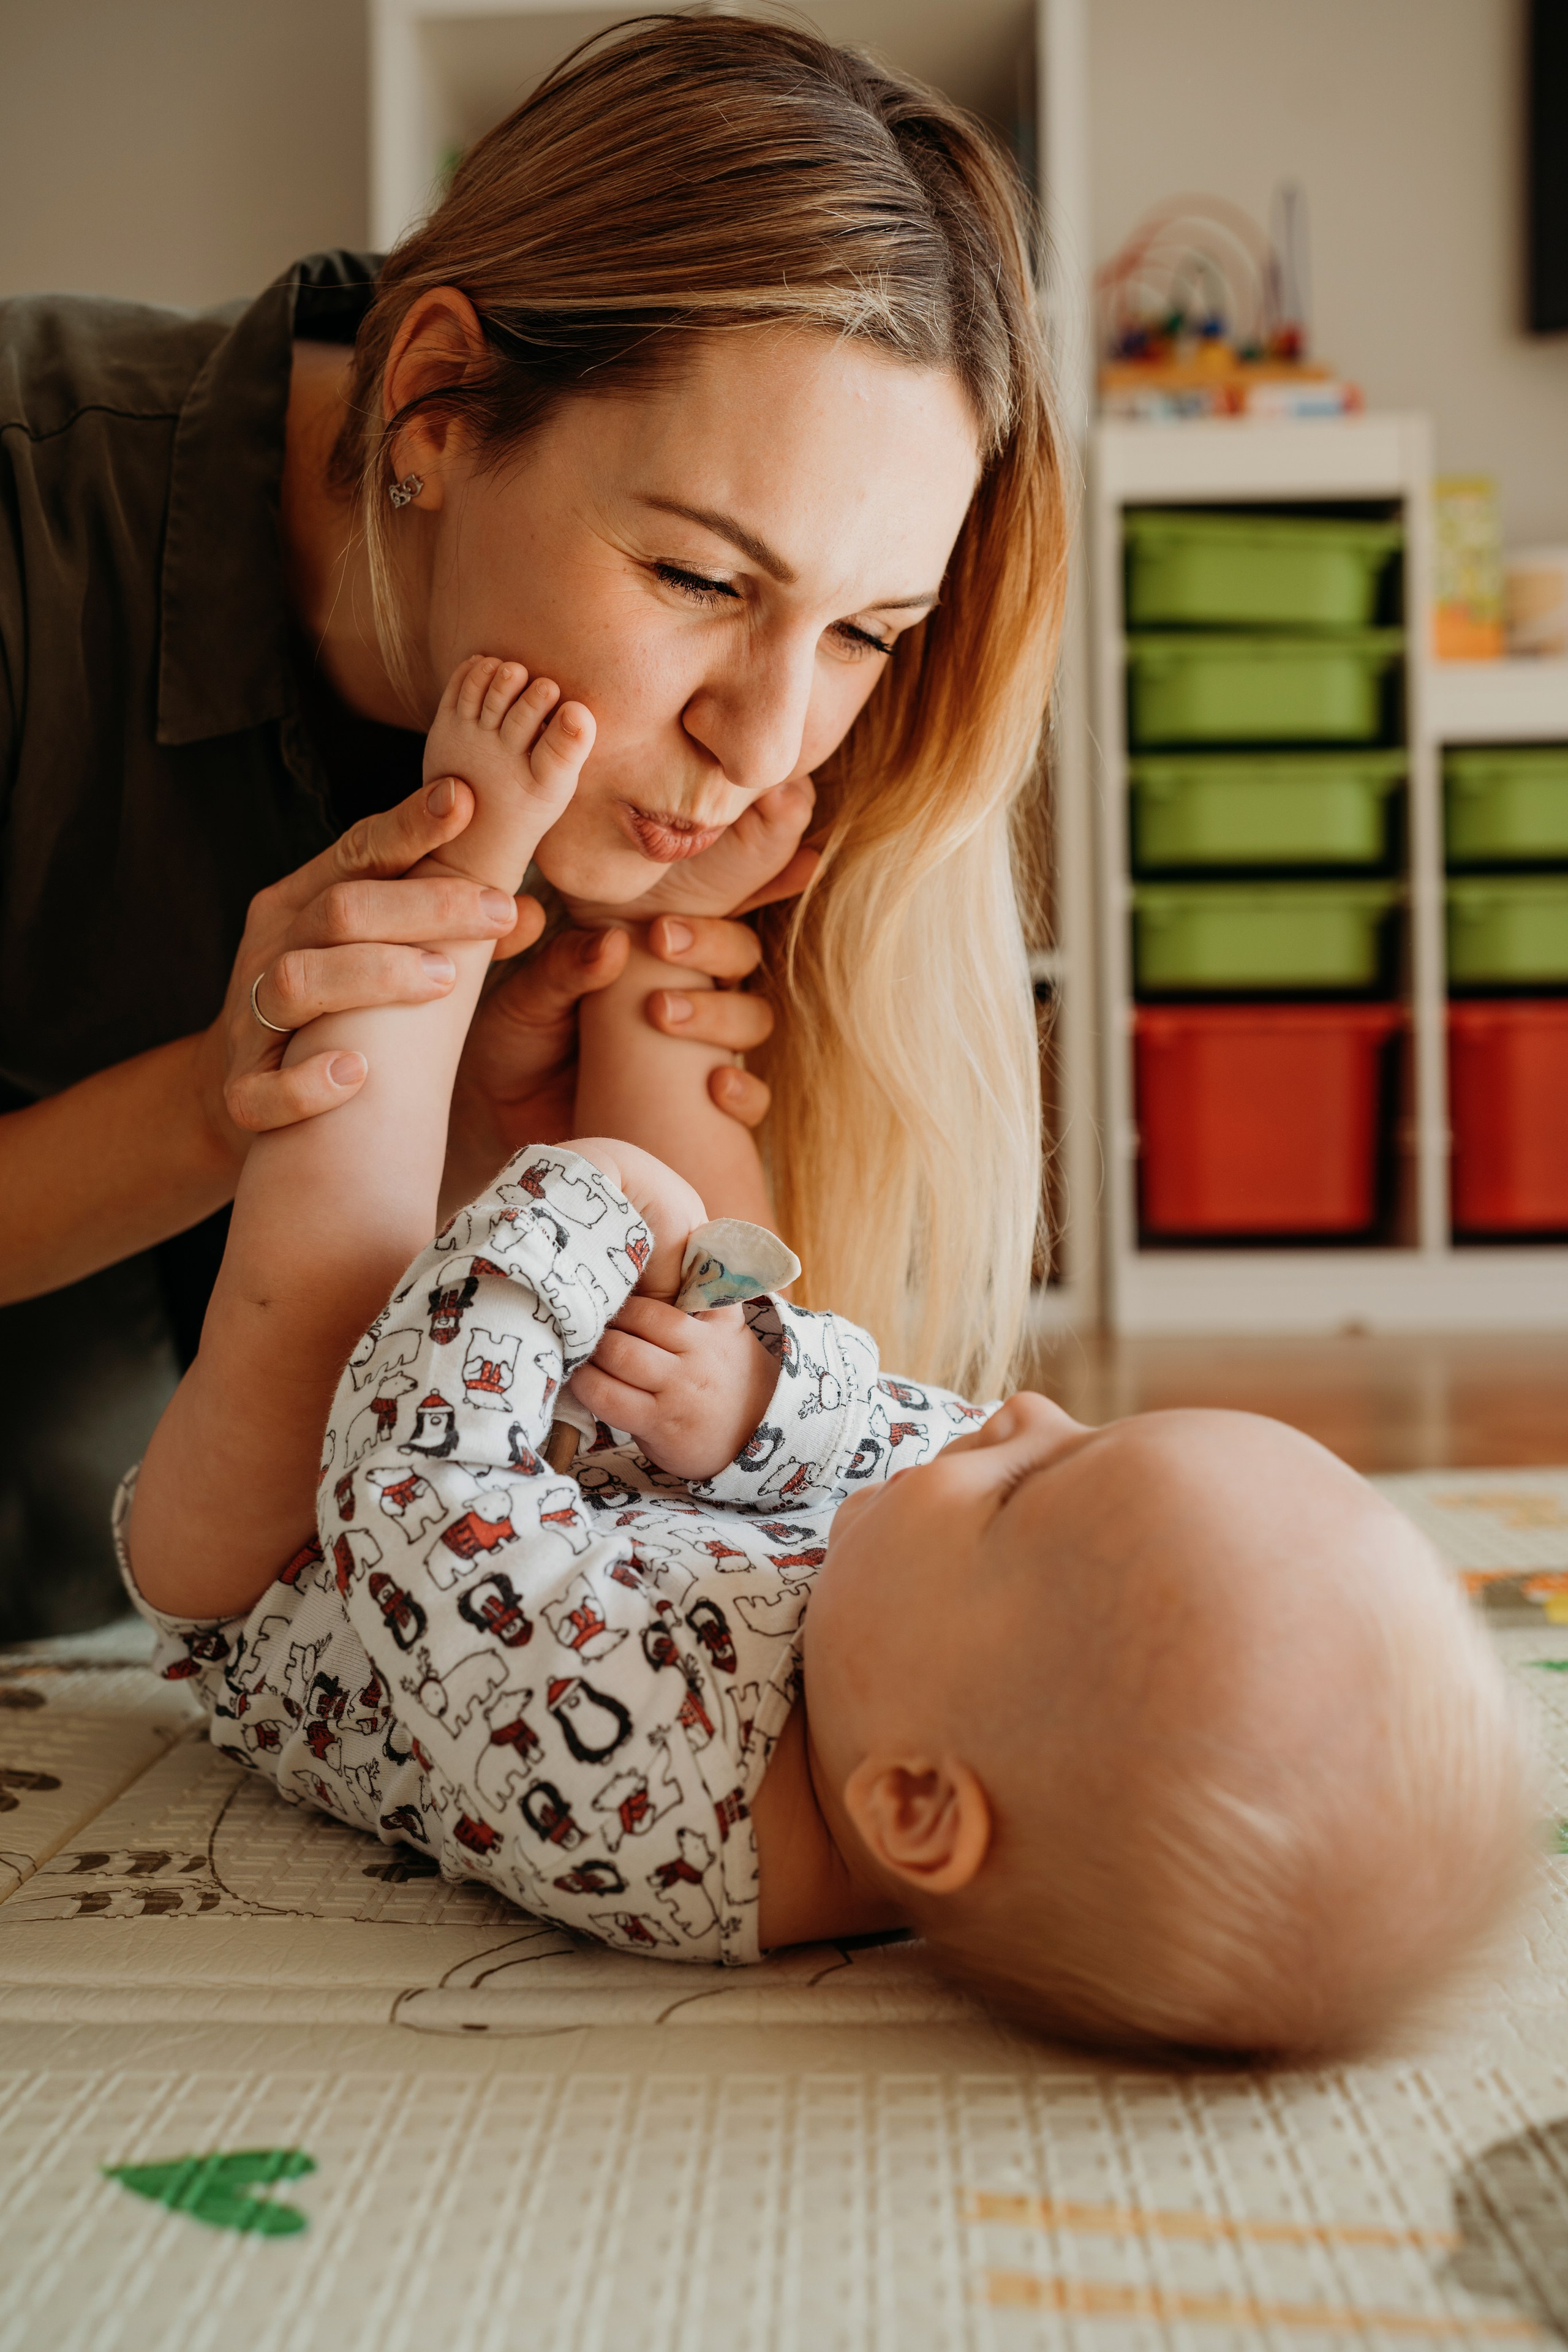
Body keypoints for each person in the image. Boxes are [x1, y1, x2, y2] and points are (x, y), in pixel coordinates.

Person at [120, 653, 1530, 2059]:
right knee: (717, 1262)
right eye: (1083, 1433)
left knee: (334, 1247)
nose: (1019, 1414)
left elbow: (410, 1492)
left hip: (301, 1561)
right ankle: (655, 936)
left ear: (915, 1810)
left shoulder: (650, 1797)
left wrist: (583, 1206)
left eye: (1023, 1486)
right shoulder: (933, 1672)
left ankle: (454, 868)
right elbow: (902, 1443)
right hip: (576, 1483)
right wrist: (746, 1402)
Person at [2, 14, 1061, 1628]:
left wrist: (485, 1153)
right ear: (433, 407)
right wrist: (220, 1104)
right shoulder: (31, 533)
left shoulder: (765, 784)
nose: (762, 739)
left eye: (865, 631)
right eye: (698, 577)